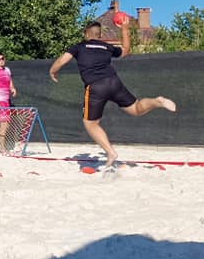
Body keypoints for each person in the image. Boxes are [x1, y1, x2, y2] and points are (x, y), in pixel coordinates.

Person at [49, 16, 176, 170]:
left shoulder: (79, 47)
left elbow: (62, 60)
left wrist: (52, 71)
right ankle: (157, 101)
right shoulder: (106, 47)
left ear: (86, 34)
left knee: (90, 123)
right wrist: (124, 29)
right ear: (100, 35)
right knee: (136, 108)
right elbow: (126, 50)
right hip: (113, 81)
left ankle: (110, 152)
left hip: (96, 86)